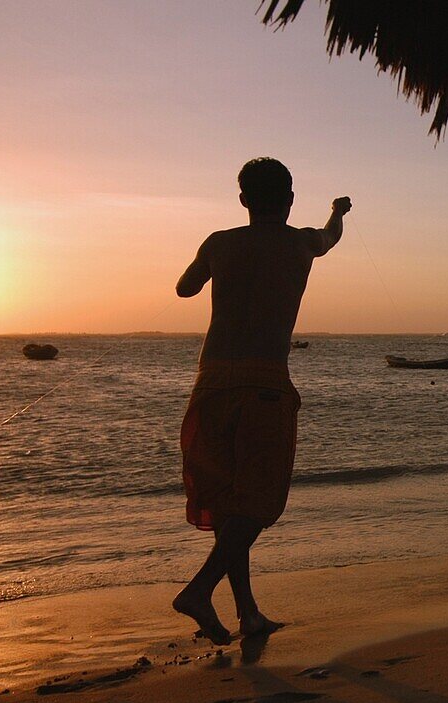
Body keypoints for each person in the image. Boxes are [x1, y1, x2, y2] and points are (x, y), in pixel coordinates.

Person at [173, 157, 351, 644]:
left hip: (210, 382)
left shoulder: (219, 242)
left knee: (230, 503)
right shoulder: (301, 242)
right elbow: (331, 235)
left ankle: (249, 614)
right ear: (290, 199)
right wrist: (338, 210)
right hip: (264, 383)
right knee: (258, 500)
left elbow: (184, 288)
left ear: (243, 199)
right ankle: (200, 590)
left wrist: (215, 262)